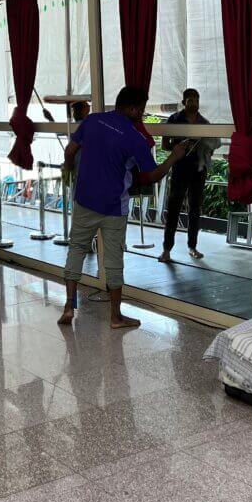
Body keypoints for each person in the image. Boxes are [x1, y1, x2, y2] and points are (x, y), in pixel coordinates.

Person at [58, 85, 188, 330]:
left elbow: (70, 150)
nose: (142, 114)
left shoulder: (92, 121)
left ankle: (68, 306)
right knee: (114, 260)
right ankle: (115, 317)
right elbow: (152, 176)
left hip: (84, 199)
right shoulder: (133, 137)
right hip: (114, 207)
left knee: (76, 249)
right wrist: (174, 157)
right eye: (141, 110)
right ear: (133, 109)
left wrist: (70, 168)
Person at [159, 88, 220, 263]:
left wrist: (206, 148)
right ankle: (166, 249)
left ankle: (192, 246)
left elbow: (212, 146)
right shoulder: (174, 120)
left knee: (195, 208)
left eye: (196, 100)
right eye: (190, 100)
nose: (194, 104)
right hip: (180, 167)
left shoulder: (204, 123)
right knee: (174, 208)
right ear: (183, 102)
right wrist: (178, 147)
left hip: (198, 169)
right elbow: (164, 144)